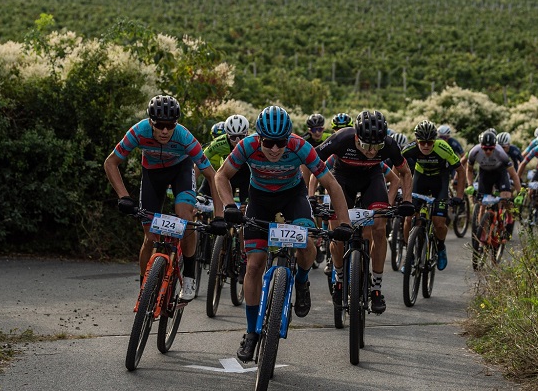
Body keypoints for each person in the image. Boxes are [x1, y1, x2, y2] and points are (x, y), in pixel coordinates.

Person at [212, 105, 352, 362]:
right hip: (260, 200)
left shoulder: (300, 146)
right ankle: (252, 332)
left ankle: (301, 280)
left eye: (280, 143)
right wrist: (229, 206)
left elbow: (331, 183)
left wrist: (344, 223)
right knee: (254, 265)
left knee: (307, 245)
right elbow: (221, 176)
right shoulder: (247, 146)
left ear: (288, 138)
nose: (275, 149)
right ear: (259, 138)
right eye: (269, 143)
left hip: (293, 197)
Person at [104, 95, 218, 302]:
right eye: (160, 125)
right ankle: (144, 286)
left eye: (170, 125)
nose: (165, 131)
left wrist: (219, 215)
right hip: (152, 174)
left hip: (181, 172)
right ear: (150, 122)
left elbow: (211, 174)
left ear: (176, 124)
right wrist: (123, 197)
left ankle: (190, 275)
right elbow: (110, 163)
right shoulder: (139, 131)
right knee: (149, 237)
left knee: (185, 218)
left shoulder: (184, 136)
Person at [314, 110, 414, 315]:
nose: (370, 152)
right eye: (366, 146)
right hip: (342, 180)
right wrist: (310, 196)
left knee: (379, 227)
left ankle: (376, 288)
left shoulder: (389, 144)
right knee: (338, 233)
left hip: (372, 180)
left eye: (376, 147)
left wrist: (406, 201)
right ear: (357, 137)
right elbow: (311, 161)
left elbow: (404, 172)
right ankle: (340, 279)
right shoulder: (342, 138)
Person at [400, 120, 460, 270]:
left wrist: (459, 196)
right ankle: (409, 255)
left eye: (429, 142)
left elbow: (461, 170)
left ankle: (440, 247)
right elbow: (397, 169)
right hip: (421, 178)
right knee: (409, 217)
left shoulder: (443, 148)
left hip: (440, 180)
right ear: (417, 140)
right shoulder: (410, 149)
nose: (426, 146)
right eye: (422, 142)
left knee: (439, 222)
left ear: (434, 140)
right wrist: (398, 192)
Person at [459, 130, 521, 243]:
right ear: (480, 146)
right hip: (485, 174)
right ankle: (482, 231)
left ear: (495, 146)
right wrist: (470, 185)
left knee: (506, 197)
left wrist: (519, 192)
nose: (488, 151)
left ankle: (508, 217)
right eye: (485, 148)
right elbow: (469, 169)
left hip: (500, 173)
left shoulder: (501, 153)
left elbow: (513, 174)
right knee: (482, 205)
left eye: (490, 148)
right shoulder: (475, 151)